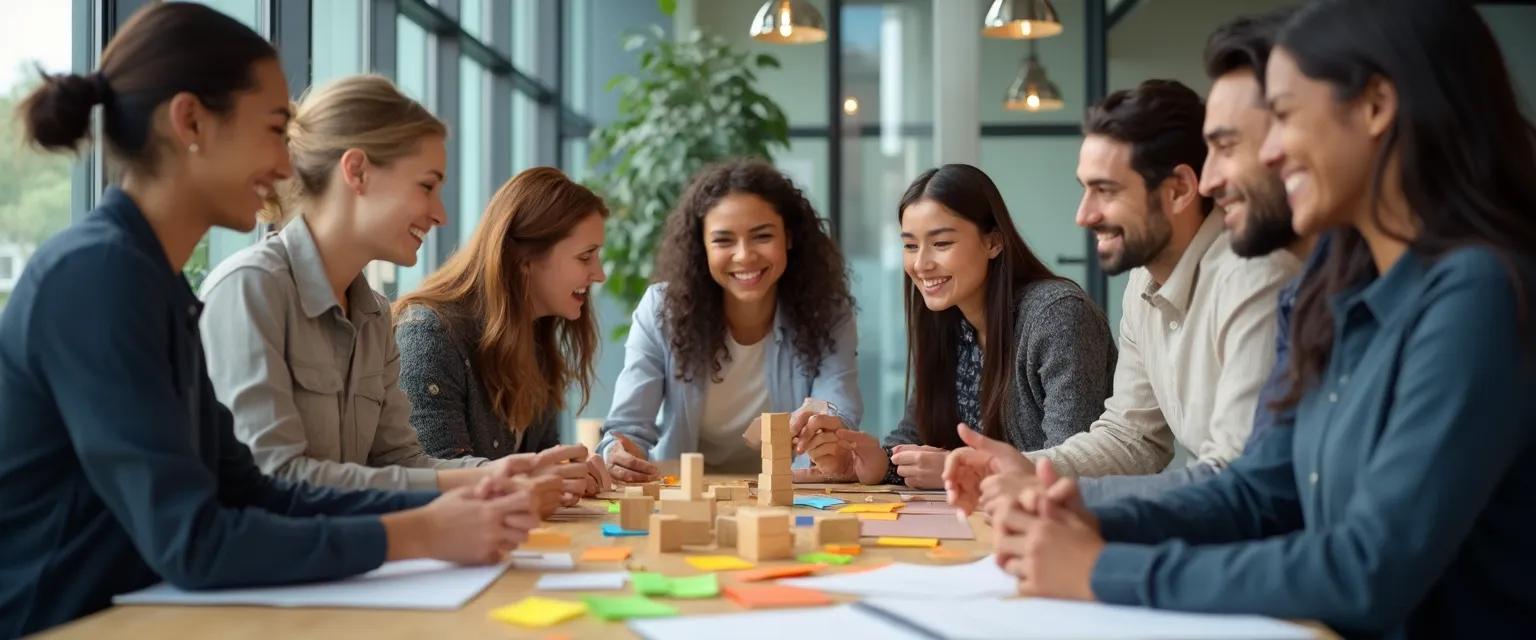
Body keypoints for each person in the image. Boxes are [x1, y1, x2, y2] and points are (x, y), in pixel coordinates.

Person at [990, 1, 1536, 635]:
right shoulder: (1332, 290)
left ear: (1377, 106)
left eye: (1281, 117)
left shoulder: (1478, 291)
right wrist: (1082, 516)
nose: (1268, 154)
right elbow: (1259, 494)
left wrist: (1100, 568)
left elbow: (1367, 568)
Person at [0, 5, 539, 636]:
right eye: (274, 130)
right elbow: (196, 542)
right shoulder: (98, 277)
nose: (287, 168)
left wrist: (448, 503)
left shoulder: (155, 282)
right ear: (191, 121)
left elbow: (256, 491)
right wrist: (419, 531)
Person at [948, 8, 1322, 507]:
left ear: (1180, 190)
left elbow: (1234, 476)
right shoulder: (1145, 285)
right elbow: (1133, 436)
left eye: (1105, 191)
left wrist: (1064, 501)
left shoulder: (1255, 276)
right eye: (1085, 189)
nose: (1084, 216)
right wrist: (1027, 468)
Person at [198, 75, 574, 509]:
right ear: (356, 171)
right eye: (427, 186)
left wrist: (510, 472)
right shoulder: (250, 289)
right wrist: (480, 485)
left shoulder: (375, 315)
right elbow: (278, 479)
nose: (440, 214)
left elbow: (400, 462)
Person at [797, 164, 1116, 488]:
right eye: (910, 245)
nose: (921, 264)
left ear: (993, 242)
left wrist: (962, 469)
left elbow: (1070, 467)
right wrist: (870, 462)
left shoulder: (1058, 317)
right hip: (989, 521)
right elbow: (914, 435)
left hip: (1077, 525)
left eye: (941, 243)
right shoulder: (947, 318)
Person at [599, 159, 862, 480]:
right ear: (702, 247)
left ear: (789, 237)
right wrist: (618, 453)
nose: (744, 255)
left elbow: (839, 407)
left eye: (762, 236)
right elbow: (627, 428)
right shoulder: (661, 310)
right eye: (724, 240)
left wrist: (823, 427)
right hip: (686, 495)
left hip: (796, 493)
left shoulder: (826, 310)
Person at [394, 167, 610, 496]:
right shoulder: (428, 335)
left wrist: (570, 472)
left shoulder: (535, 337)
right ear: (523, 260)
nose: (599, 274)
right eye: (585, 257)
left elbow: (538, 461)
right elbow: (437, 485)